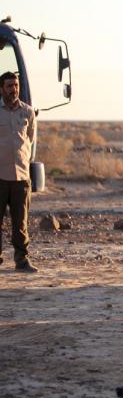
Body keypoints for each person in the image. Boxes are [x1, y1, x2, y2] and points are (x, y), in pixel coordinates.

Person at [0, 72, 37, 273]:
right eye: (9, 86)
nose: (13, 89)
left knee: (20, 222)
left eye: (15, 85)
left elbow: (30, 140)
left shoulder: (28, 112)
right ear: (1, 89)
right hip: (0, 176)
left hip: (21, 177)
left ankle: (22, 260)